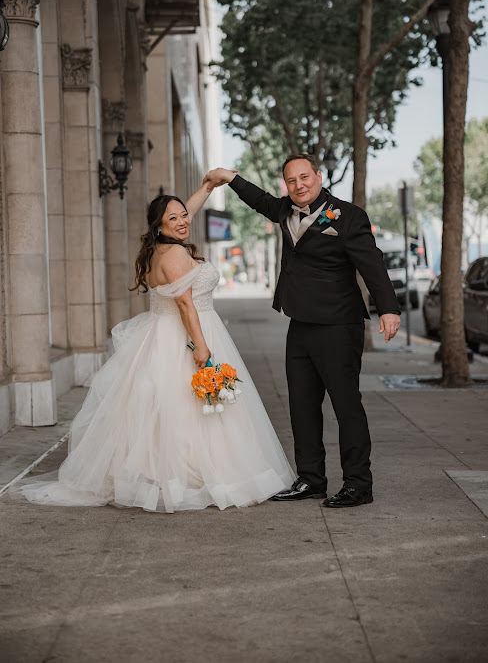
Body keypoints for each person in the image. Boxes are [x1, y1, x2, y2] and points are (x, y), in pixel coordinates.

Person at [10, 182, 295, 513]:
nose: (182, 221)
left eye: (184, 215)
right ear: (159, 225)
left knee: (171, 408)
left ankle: (165, 472)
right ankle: (192, 476)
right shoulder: (174, 254)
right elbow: (187, 305)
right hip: (188, 335)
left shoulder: (160, 248)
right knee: (195, 408)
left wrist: (208, 185)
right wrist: (201, 350)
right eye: (173, 218)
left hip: (164, 335)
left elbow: (182, 215)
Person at [204, 155, 401, 508]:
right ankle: (310, 479)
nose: (299, 185)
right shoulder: (283, 211)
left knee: (346, 405)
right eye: (291, 180)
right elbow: (258, 198)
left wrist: (387, 308)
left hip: (339, 325)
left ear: (319, 177)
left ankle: (358, 484)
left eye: (305, 177)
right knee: (301, 405)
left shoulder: (348, 215)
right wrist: (229, 177)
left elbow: (371, 263)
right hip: (300, 324)